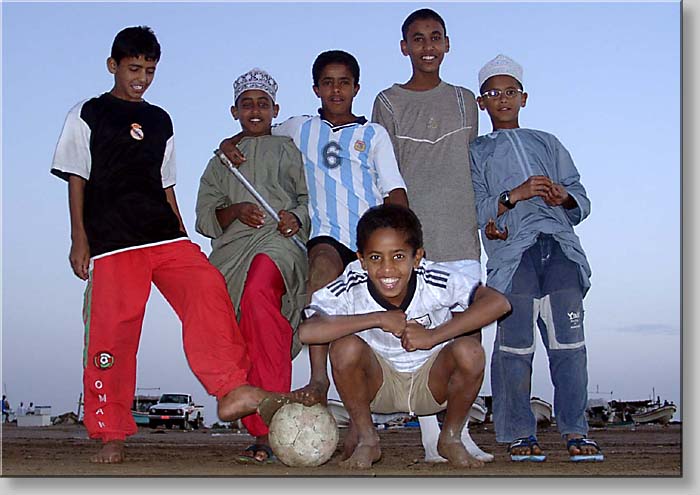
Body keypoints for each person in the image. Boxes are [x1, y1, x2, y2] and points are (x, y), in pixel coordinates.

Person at [51, 26, 309, 464]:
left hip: (165, 235)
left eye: (150, 70)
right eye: (134, 69)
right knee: (113, 331)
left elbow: (166, 184)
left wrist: (182, 236)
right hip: (114, 242)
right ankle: (111, 430)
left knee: (208, 288)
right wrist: (80, 238)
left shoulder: (160, 119)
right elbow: (78, 176)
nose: (142, 78)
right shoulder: (88, 113)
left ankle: (230, 389)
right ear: (113, 65)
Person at [220, 50, 408, 408]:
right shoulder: (299, 127)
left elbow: (394, 190)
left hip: (368, 240)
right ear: (316, 88)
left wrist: (405, 238)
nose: (336, 90)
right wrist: (229, 143)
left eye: (344, 83)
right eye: (328, 82)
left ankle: (365, 415)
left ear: (356, 87)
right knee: (320, 273)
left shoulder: (373, 134)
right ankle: (317, 379)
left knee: (366, 329)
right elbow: (256, 129)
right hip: (323, 236)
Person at [299, 204, 511, 469]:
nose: (387, 269)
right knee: (344, 347)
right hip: (379, 385)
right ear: (361, 259)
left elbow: (498, 303)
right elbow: (308, 331)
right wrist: (378, 318)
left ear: (417, 257)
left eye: (398, 256)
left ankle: (451, 437)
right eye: (375, 258)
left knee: (470, 350)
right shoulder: (353, 281)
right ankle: (368, 439)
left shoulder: (433, 278)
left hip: (431, 383)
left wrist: (433, 336)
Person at [469, 54, 603, 462]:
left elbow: (580, 196)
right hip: (513, 254)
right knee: (515, 346)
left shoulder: (547, 142)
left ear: (523, 98)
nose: (503, 100)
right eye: (494, 93)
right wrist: (514, 196)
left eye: (510, 92)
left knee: (569, 343)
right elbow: (477, 208)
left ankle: (575, 429)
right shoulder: (476, 150)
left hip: (560, 247)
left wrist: (564, 197)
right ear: (482, 102)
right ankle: (517, 433)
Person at [371, 8, 491, 462]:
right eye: (417, 39)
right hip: (412, 243)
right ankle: (427, 436)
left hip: (460, 234)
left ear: (447, 44)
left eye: (435, 37)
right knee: (417, 336)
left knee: (467, 336)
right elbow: (383, 168)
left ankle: (457, 432)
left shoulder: (464, 100)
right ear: (404, 47)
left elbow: (470, 168)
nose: (427, 46)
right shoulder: (387, 101)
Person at [196, 68, 310, 464]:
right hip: (232, 252)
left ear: (275, 109)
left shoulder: (286, 148)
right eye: (248, 104)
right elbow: (204, 217)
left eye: (263, 103)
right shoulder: (221, 161)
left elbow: (303, 200)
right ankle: (261, 430)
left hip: (278, 244)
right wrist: (235, 211)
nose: (255, 110)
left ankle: (271, 424)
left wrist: (294, 218)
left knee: (260, 295)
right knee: (240, 325)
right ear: (235, 110)